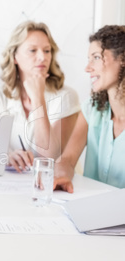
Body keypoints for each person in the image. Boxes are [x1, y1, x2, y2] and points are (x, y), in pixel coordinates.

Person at [0, 21, 80, 172]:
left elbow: (49, 158)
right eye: (32, 50)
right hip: (10, 183)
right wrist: (8, 156)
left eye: (47, 50)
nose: (42, 57)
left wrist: (37, 98)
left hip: (52, 185)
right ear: (15, 56)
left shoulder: (67, 97)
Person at [54, 25, 125, 193]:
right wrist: (62, 175)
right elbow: (68, 159)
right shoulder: (92, 110)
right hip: (93, 211)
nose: (88, 68)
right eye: (89, 59)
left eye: (96, 58)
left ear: (122, 58)